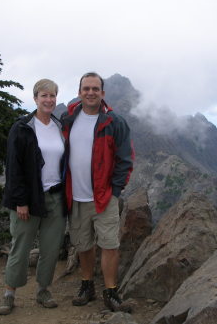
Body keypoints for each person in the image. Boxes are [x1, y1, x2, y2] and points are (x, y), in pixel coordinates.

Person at [61, 72, 134, 312]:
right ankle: (87, 285)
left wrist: (115, 190)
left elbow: (125, 159)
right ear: (79, 92)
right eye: (86, 88)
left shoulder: (114, 122)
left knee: (109, 244)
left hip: (104, 197)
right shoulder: (68, 118)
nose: (90, 93)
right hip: (76, 195)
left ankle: (111, 292)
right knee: (83, 244)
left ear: (102, 93)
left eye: (95, 89)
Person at [0, 79, 66, 315]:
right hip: (28, 198)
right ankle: (9, 293)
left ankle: (43, 290)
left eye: (52, 96)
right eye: (44, 95)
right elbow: (13, 168)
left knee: (50, 247)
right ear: (35, 98)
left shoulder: (59, 126)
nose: (49, 100)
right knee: (21, 246)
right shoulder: (23, 127)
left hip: (55, 197)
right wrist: (20, 202)